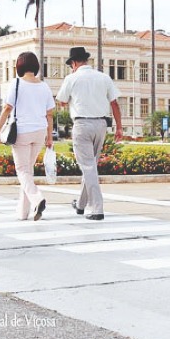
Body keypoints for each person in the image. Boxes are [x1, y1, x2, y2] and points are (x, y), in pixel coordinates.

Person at [56, 47, 123, 221]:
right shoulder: (103, 77)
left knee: (87, 167)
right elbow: (114, 103)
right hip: (101, 124)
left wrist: (70, 100)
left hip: (82, 124)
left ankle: (97, 208)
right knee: (91, 165)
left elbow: (61, 101)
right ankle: (80, 204)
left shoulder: (72, 78)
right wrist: (120, 127)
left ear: (74, 62)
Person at [0, 52, 54, 221]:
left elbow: (7, 108)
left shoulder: (16, 83)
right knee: (28, 170)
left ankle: (37, 198)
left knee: (22, 170)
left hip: (22, 131)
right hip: (40, 131)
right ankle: (23, 213)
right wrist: (50, 137)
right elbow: (49, 114)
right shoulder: (44, 86)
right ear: (35, 66)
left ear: (19, 66)